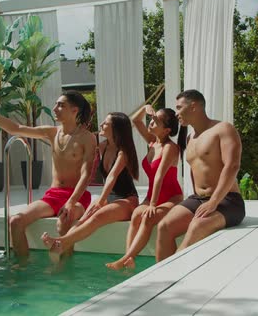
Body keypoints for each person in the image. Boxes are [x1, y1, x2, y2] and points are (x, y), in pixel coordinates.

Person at [0, 90, 96, 259]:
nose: (55, 108)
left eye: (61, 105)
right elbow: (16, 129)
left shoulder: (87, 138)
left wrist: (72, 202)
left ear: (75, 110)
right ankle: (22, 270)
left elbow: (86, 174)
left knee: (64, 222)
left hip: (77, 196)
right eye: (56, 104)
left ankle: (64, 272)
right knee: (15, 221)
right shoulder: (52, 132)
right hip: (54, 195)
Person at [156, 89, 245, 262]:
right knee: (164, 227)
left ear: (194, 106)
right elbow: (194, 170)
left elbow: (232, 165)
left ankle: (170, 274)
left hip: (228, 200)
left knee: (197, 226)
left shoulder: (223, 129)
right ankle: (160, 278)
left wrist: (214, 201)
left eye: (179, 107)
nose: (176, 113)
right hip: (198, 198)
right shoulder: (190, 138)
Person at [42, 112, 139, 261]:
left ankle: (60, 242)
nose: (101, 125)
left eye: (105, 123)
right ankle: (62, 244)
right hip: (109, 197)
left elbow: (111, 177)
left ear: (115, 129)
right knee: (84, 218)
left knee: (97, 217)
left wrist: (101, 200)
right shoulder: (102, 146)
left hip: (127, 199)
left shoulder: (123, 152)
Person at [105, 105, 184, 270]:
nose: (151, 123)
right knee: (136, 215)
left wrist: (153, 204)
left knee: (147, 218)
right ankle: (129, 259)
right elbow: (135, 120)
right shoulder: (152, 142)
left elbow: (159, 177)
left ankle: (126, 258)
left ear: (167, 130)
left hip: (171, 198)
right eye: (152, 119)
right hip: (151, 196)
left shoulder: (170, 148)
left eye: (155, 121)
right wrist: (146, 108)